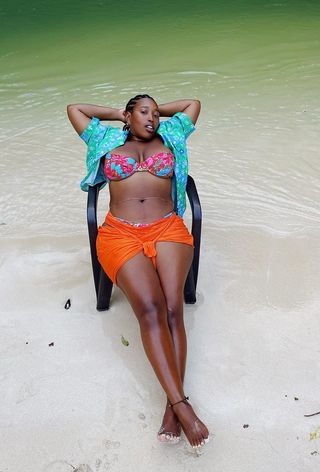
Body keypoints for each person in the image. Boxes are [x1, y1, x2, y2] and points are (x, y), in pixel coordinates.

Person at [67, 95, 209, 450]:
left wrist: (159, 114)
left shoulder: (172, 134)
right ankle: (182, 404)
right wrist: (118, 115)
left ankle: (171, 408)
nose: (153, 118)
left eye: (157, 113)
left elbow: (193, 103)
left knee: (173, 308)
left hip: (167, 228)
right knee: (149, 309)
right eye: (145, 112)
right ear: (129, 116)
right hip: (120, 233)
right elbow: (75, 108)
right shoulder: (105, 139)